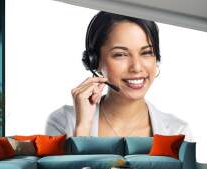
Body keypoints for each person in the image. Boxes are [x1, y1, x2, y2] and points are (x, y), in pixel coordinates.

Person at [45, 11, 194, 142]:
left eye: (146, 53)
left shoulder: (178, 131)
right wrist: (83, 127)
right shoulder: (63, 122)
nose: (136, 67)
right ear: (94, 61)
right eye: (120, 54)